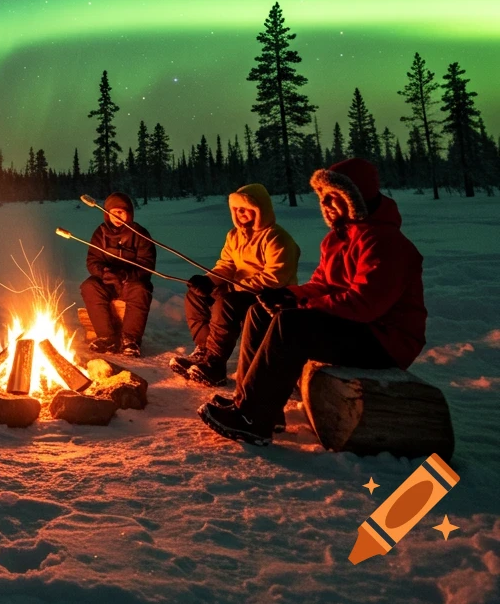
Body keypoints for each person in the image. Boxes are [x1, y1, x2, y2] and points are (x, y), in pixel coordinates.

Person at [198, 158, 426, 446]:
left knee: (292, 324)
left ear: (355, 198)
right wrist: (289, 294)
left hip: (385, 340)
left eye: (334, 197)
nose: (327, 204)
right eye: (323, 198)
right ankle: (252, 403)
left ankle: (253, 420)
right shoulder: (337, 239)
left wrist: (301, 307)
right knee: (260, 311)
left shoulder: (386, 242)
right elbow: (322, 285)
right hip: (354, 326)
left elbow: (365, 304)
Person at [169, 183, 299, 387]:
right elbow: (226, 265)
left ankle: (215, 365)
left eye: (245, 209)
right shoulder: (234, 236)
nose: (241, 213)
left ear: (260, 209)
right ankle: (204, 351)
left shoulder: (277, 238)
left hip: (269, 297)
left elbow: (274, 279)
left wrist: (232, 288)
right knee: (196, 295)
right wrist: (208, 281)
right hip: (238, 290)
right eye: (237, 209)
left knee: (225, 303)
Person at [80, 192, 156, 356]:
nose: (117, 216)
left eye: (121, 212)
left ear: (129, 213)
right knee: (89, 286)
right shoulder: (100, 233)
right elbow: (93, 260)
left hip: (132, 282)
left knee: (141, 290)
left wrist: (126, 275)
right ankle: (106, 338)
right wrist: (104, 272)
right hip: (108, 281)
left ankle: (131, 340)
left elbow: (147, 265)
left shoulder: (140, 234)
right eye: (113, 212)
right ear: (106, 214)